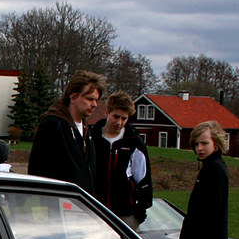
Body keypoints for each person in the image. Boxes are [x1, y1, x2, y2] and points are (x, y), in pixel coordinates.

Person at [27, 70, 106, 193]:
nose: (95, 104)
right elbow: (38, 168)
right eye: (90, 99)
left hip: (82, 201)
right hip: (58, 199)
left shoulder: (85, 128)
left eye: (96, 100)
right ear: (73, 97)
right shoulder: (53, 124)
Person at [91, 91, 152, 230]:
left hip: (126, 215)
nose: (119, 122)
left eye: (124, 119)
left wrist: (140, 212)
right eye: (116, 116)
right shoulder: (93, 138)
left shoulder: (134, 142)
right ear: (107, 112)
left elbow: (143, 178)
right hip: (95, 211)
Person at [179, 121, 229, 239]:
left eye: (204, 143)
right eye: (196, 144)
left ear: (216, 143)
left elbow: (213, 211)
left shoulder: (215, 169)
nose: (199, 148)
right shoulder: (208, 167)